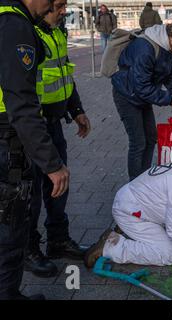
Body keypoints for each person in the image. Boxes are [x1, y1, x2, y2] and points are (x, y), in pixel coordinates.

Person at [0, 0, 70, 300]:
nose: (58, 6)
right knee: (10, 227)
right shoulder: (14, 26)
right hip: (8, 141)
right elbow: (21, 103)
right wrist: (52, 164)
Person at [24, 0, 91, 278]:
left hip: (53, 122)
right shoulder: (28, 34)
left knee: (59, 184)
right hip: (31, 127)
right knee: (31, 191)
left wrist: (76, 110)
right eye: (60, 6)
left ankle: (58, 240)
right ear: (45, 6)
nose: (65, 11)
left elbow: (65, 73)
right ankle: (28, 249)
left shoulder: (57, 32)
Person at [111, 17, 172, 181]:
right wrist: (170, 99)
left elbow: (169, 75)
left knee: (151, 137)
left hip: (141, 95)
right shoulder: (145, 48)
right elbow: (141, 86)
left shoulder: (166, 47)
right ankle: (135, 185)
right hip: (127, 95)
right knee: (138, 142)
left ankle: (144, 177)